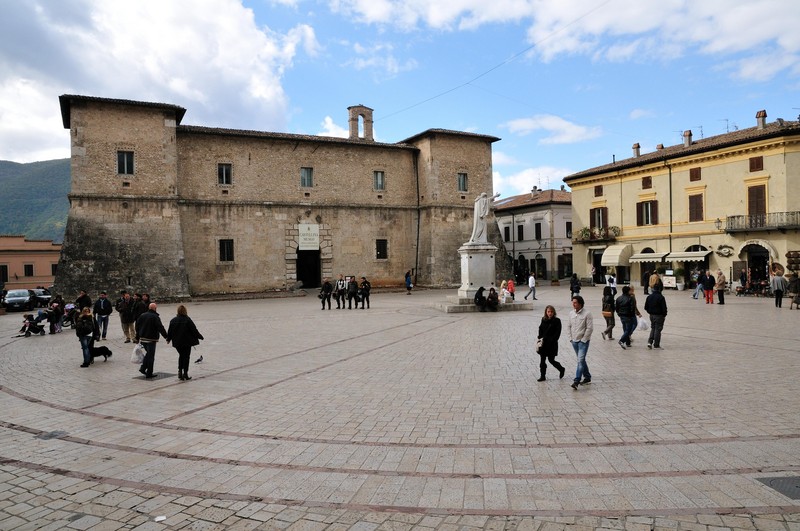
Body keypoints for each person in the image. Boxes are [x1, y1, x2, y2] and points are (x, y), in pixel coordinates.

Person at [166, 305, 204, 381]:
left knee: (181, 356)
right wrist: (200, 336)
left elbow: (170, 331)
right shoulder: (187, 320)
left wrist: (168, 339)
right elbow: (194, 330)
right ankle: (185, 373)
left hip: (177, 343)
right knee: (186, 357)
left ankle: (180, 371)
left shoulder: (173, 320)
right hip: (187, 342)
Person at [566, 295, 593, 390]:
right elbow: (568, 326)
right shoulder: (571, 313)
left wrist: (584, 339)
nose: (573, 304)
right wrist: (570, 338)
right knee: (581, 360)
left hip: (583, 341)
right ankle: (587, 377)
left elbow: (589, 328)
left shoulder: (587, 314)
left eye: (575, 302)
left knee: (580, 360)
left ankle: (576, 380)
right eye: (572, 302)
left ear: (580, 303)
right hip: (574, 340)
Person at [135, 302, 168, 379]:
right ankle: (149, 373)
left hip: (143, 338)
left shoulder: (142, 315)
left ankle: (143, 368)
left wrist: (137, 337)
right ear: (155, 308)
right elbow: (160, 327)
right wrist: (166, 337)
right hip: (151, 339)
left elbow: (137, 327)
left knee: (148, 354)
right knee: (151, 356)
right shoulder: (155, 317)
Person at [536, 305, 565, 381]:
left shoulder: (557, 321)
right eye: (548, 311)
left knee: (551, 360)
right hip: (544, 344)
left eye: (551, 312)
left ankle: (561, 369)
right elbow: (540, 328)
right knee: (542, 361)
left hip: (552, 344)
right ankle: (542, 376)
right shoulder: (543, 319)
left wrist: (552, 340)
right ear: (546, 312)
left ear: (554, 312)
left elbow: (557, 333)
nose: (550, 313)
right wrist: (540, 337)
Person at [616, 285, 636, 349]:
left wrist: (619, 313)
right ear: (628, 291)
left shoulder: (619, 298)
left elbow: (616, 308)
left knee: (625, 329)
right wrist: (632, 316)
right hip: (628, 316)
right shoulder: (630, 298)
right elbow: (632, 308)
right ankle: (621, 340)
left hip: (622, 315)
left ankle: (627, 342)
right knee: (628, 330)